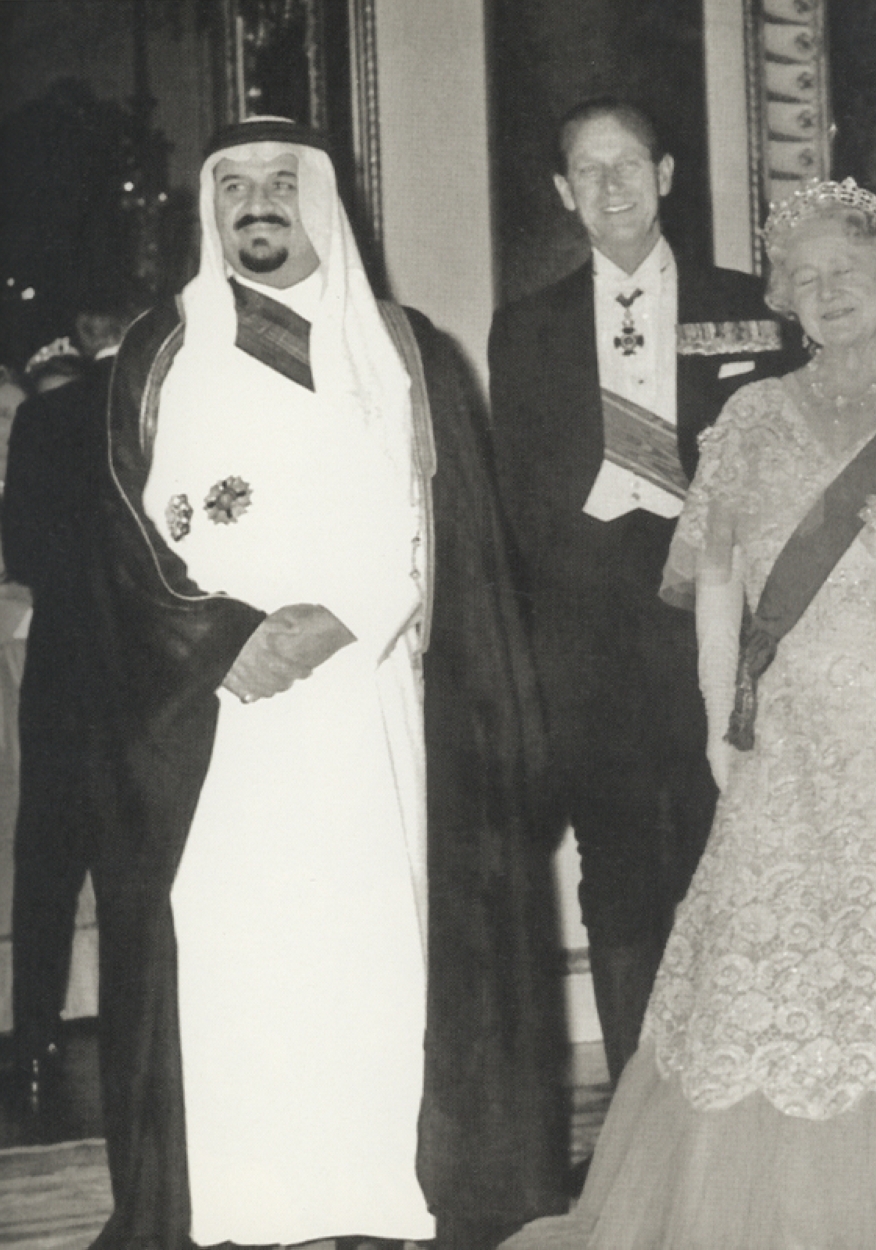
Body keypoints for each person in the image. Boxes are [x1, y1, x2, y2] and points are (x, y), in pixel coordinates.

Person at [505, 177, 876, 1249]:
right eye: (804, 280)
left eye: (848, 273)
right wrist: (723, 712)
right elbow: (716, 577)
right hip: (790, 736)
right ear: (782, 300)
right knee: (767, 979)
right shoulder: (749, 419)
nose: (828, 294)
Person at [93, 116, 544, 1249]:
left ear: (321, 199)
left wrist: (335, 618)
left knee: (366, 943)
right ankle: (247, 1207)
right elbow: (119, 527)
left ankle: (367, 1198)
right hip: (219, 719)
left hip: (365, 699)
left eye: (280, 183)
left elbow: (442, 528)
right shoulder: (162, 346)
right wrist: (219, 639)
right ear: (209, 204)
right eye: (235, 183)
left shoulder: (403, 350)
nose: (257, 202)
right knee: (241, 949)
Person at [487, 99, 802, 1089]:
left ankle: (745, 1095)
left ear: (666, 175)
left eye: (630, 163)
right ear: (561, 194)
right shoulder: (525, 331)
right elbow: (518, 507)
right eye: (589, 169)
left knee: (736, 856)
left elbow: (796, 478)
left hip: (722, 636)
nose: (612, 185)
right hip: (587, 654)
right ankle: (640, 1110)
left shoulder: (752, 308)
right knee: (617, 873)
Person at [3, 303, 130, 1111]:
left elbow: (25, 553)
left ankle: (36, 1043)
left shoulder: (48, 417)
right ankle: (139, 1038)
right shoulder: (181, 400)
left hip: (65, 665)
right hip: (147, 670)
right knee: (136, 866)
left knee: (49, 867)